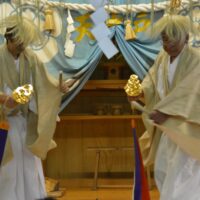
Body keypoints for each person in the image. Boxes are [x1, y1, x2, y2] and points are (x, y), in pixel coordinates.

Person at [128, 14, 200, 200]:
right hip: (167, 130)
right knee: (163, 170)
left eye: (173, 38)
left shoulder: (196, 59)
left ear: (186, 37)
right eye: (165, 39)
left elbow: (191, 92)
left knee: (184, 176)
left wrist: (166, 110)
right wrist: (140, 93)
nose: (168, 44)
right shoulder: (162, 58)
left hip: (187, 130)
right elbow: (152, 81)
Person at [0, 15, 71, 200]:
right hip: (4, 123)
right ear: (9, 38)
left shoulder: (30, 58)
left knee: (30, 166)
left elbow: (45, 84)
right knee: (8, 168)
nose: (22, 46)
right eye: (19, 42)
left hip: (25, 121)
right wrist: (4, 99)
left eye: (25, 42)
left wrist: (59, 88)